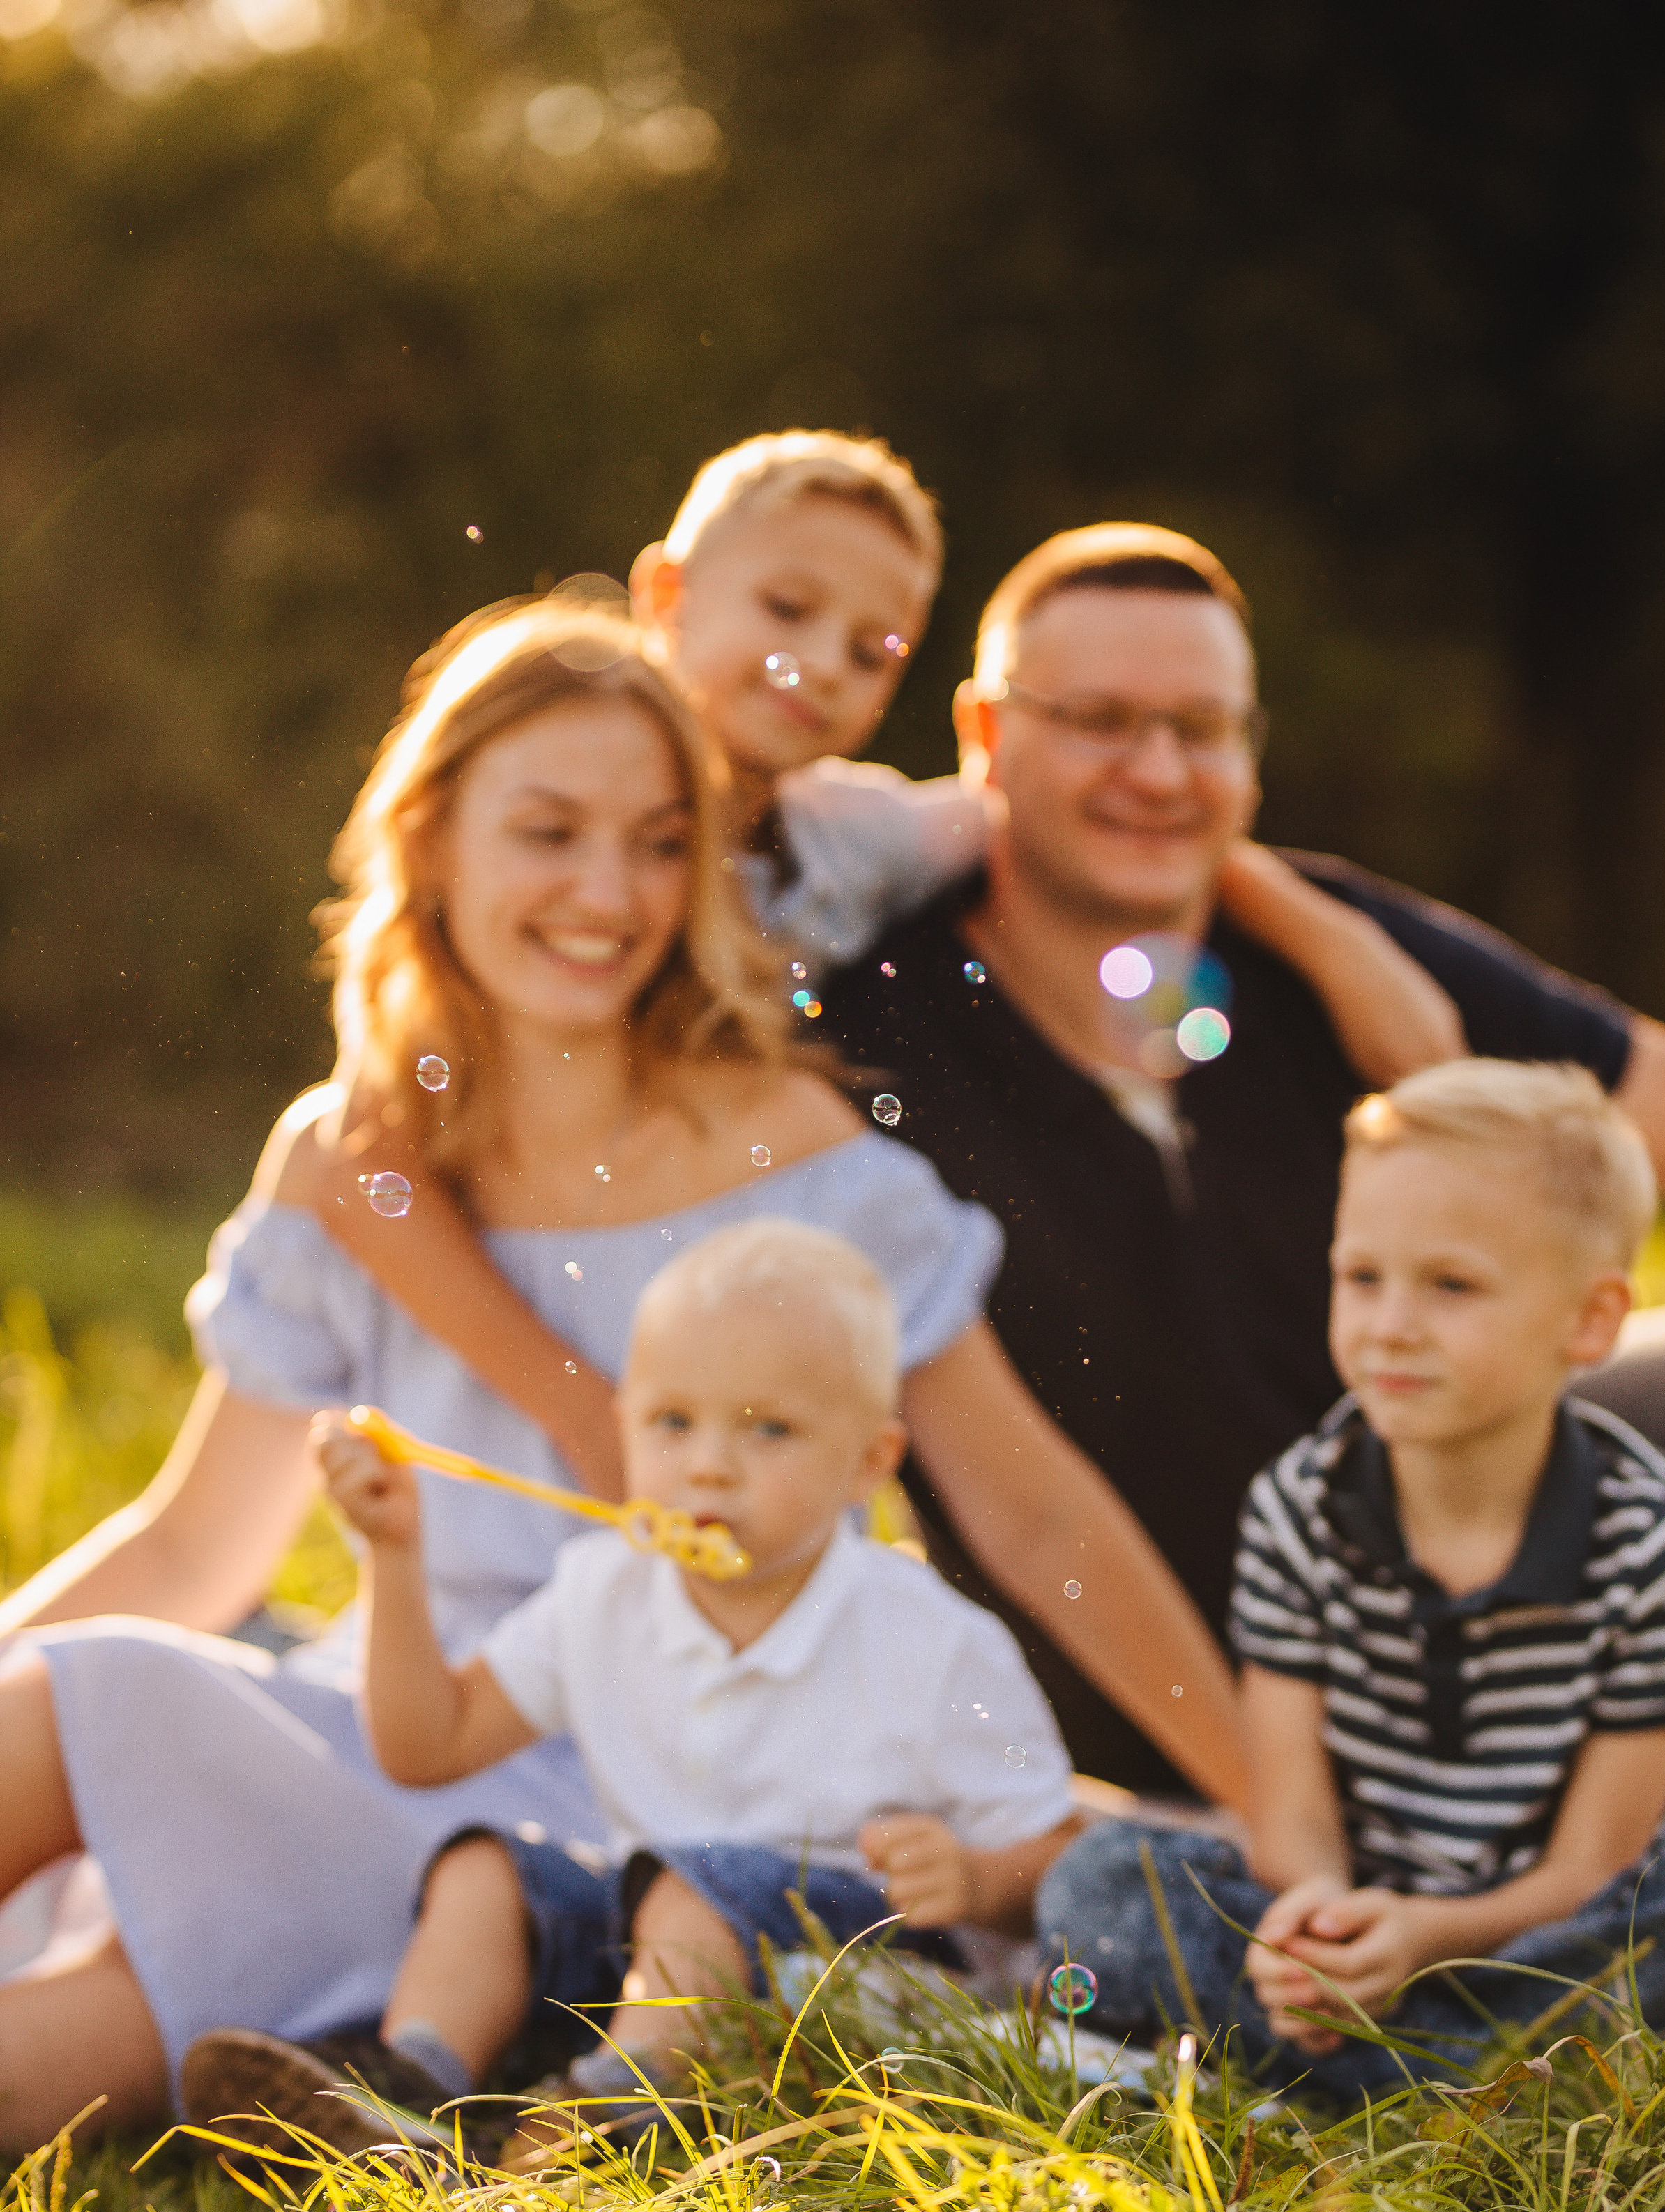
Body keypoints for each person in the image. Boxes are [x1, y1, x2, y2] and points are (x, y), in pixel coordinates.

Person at [0, 599, 1245, 2151]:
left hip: (641, 1802)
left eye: (661, 842)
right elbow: (194, 1547)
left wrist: (1270, 1807)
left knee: (57, 2047)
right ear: (433, 843)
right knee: (69, 1694)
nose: (610, 892)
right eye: (549, 832)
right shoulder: (366, 1157)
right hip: (391, 1722)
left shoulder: (804, 1166)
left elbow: (1032, 1515)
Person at [301, 435, 1468, 1504]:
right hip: (533, 1276)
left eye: (872, 649)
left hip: (725, 1270)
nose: (818, 664)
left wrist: (1327, 933)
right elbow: (358, 1153)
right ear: (668, 597)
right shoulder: (539, 812)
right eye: (786, 609)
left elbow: (1073, 821)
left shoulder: (856, 836)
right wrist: (578, 1417)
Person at [811, 522, 1665, 1797]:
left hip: (1472, 1520)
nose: (1158, 770)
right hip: (1161, 1701)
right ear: (985, 733)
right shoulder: (870, 1029)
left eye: (1203, 729)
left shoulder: (1333, 955)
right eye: (1100, 719)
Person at [182, 1223, 1081, 2153]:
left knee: (696, 1893)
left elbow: (1056, 1853)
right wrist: (395, 1555)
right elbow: (426, 1747)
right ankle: (406, 2094)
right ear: (624, 1429)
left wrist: (976, 1880)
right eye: (672, 1422)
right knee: (490, 1870)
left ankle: (585, 2127)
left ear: (868, 1463)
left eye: (768, 1428)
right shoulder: (602, 1592)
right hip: (653, 1966)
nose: (708, 1464)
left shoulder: (934, 1642)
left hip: (856, 1987)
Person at [1037, 1060, 1665, 2097]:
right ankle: (1488, 2069)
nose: (1390, 1323)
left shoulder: (1655, 1540)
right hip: (1363, 1916)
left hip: (1552, 1933)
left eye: (1452, 1286)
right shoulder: (1303, 1507)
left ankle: (1358, 2067)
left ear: (1591, 1321)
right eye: (1362, 1277)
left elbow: (1593, 1868)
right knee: (1104, 1882)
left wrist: (1426, 1940)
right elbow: (1289, 1811)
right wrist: (1320, 1923)